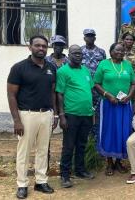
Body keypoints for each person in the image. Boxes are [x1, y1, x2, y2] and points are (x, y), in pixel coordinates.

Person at [7, 35, 57, 199]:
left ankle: (41, 181)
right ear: (30, 47)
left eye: (44, 46)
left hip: (46, 114)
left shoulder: (51, 67)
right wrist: (16, 120)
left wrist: (55, 113)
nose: (41, 48)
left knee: (43, 150)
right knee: (24, 151)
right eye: (37, 45)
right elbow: (11, 95)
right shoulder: (19, 68)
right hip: (27, 115)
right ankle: (22, 184)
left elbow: (52, 92)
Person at [94, 43, 135, 176]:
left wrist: (129, 96)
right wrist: (107, 95)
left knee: (123, 131)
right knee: (109, 131)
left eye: (122, 50)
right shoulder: (104, 64)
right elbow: (96, 84)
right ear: (111, 51)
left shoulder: (128, 65)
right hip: (108, 104)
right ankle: (109, 162)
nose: (120, 52)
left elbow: (134, 83)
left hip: (124, 105)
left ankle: (119, 161)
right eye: (117, 50)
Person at [56, 45, 95, 188]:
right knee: (68, 146)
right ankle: (65, 175)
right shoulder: (62, 71)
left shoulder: (85, 70)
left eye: (80, 53)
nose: (78, 55)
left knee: (82, 144)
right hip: (71, 114)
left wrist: (92, 112)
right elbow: (59, 93)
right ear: (69, 55)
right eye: (75, 53)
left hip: (86, 114)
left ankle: (80, 170)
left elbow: (88, 90)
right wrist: (61, 115)